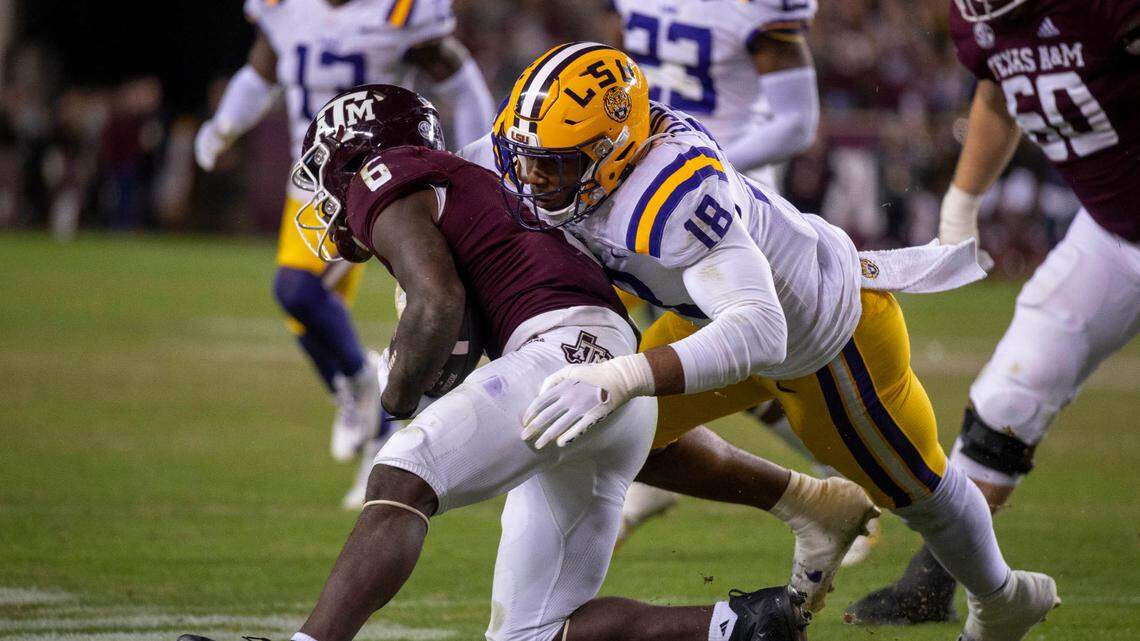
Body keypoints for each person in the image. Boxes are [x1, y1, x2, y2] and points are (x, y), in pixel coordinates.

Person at [179, 83, 812, 641]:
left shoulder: (389, 175)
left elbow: (438, 303)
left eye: (329, 171)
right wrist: (424, 372)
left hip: (566, 359)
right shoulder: (460, 187)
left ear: (359, 158)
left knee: (402, 473)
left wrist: (395, 403)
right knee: (531, 634)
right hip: (605, 385)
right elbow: (458, 328)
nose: (326, 193)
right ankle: (745, 626)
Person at [492, 43, 1059, 640]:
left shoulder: (672, 194)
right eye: (525, 157)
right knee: (608, 437)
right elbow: (470, 168)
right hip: (711, 314)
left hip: (825, 341)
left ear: (612, 155)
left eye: (554, 164)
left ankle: (1001, 597)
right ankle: (810, 507)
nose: (531, 178)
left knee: (918, 490)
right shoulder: (587, 159)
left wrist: (620, 377)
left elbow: (761, 330)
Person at [845, 0, 1140, 626]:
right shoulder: (981, 23)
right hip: (1113, 234)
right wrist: (962, 202)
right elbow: (998, 95)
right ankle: (933, 583)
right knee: (1008, 396)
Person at [596, 0, 879, 562]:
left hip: (719, 197)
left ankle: (840, 478)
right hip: (632, 188)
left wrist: (704, 167)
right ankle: (646, 470)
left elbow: (797, 123)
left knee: (735, 352)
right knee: (627, 332)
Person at [194, 0, 495, 477]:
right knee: (303, 312)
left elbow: (458, 77)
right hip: (314, 186)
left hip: (380, 184)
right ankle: (363, 396)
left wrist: (482, 152)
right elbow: (259, 74)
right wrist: (224, 124)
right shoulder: (285, 10)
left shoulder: (400, 12)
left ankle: (380, 402)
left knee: (298, 289)